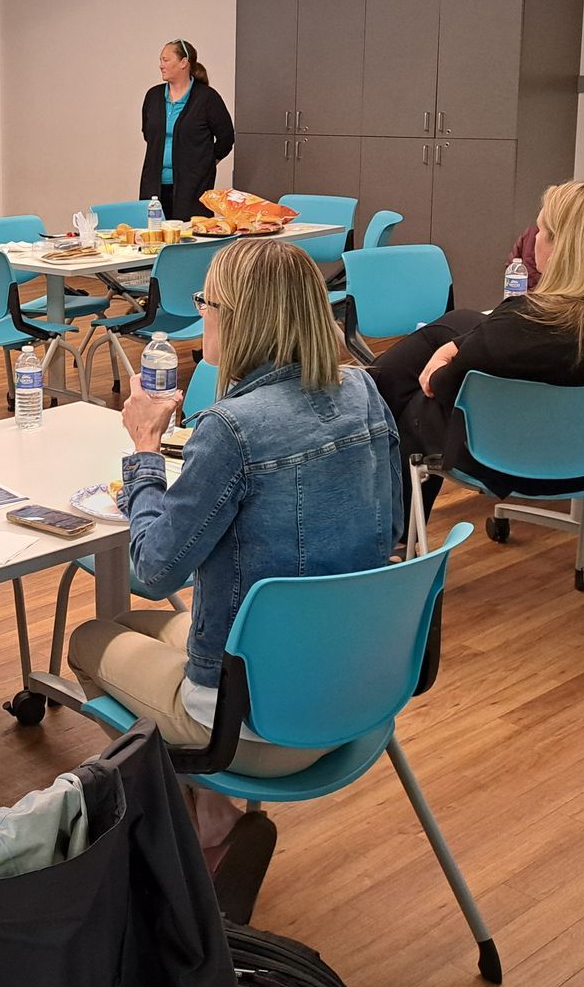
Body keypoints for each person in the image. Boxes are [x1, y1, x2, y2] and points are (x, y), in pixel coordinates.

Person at [70, 238, 400, 771]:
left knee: (91, 637)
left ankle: (203, 821)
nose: (200, 312)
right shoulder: (364, 392)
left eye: (206, 301)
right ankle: (209, 813)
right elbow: (394, 526)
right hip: (357, 687)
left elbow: (153, 573)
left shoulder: (232, 428)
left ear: (240, 318)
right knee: (137, 626)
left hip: (250, 725)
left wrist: (146, 449)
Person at [369, 181, 584, 511]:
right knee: (460, 322)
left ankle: (393, 535)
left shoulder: (525, 321)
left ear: (559, 248)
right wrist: (454, 346)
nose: (533, 237)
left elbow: (446, 388)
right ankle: (374, 386)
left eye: (540, 229)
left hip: (504, 460)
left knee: (404, 398)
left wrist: (439, 368)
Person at [139, 38, 234, 222]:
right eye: (160, 60)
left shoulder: (207, 98)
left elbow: (226, 138)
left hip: (193, 188)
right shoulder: (153, 96)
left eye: (166, 60)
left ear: (183, 63)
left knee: (189, 238)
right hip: (154, 187)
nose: (161, 65)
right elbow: (148, 134)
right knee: (154, 237)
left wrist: (206, 162)